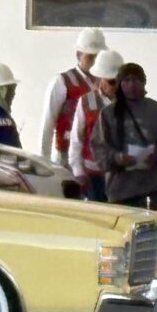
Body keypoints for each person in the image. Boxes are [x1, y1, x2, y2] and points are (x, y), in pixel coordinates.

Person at [90, 63, 157, 210]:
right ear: (120, 83)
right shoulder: (108, 113)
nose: (132, 85)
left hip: (151, 187)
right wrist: (117, 157)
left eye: (136, 80)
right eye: (127, 80)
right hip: (121, 189)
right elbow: (99, 147)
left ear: (144, 82)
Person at [40, 28, 108, 168]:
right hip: (64, 155)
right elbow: (48, 122)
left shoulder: (106, 83)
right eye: (90, 56)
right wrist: (44, 161)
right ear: (78, 54)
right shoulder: (62, 81)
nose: (94, 61)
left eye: (98, 57)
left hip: (94, 157)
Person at [68, 50, 124, 202]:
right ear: (101, 79)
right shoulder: (86, 102)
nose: (116, 86)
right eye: (111, 82)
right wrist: (78, 171)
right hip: (94, 178)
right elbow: (76, 139)